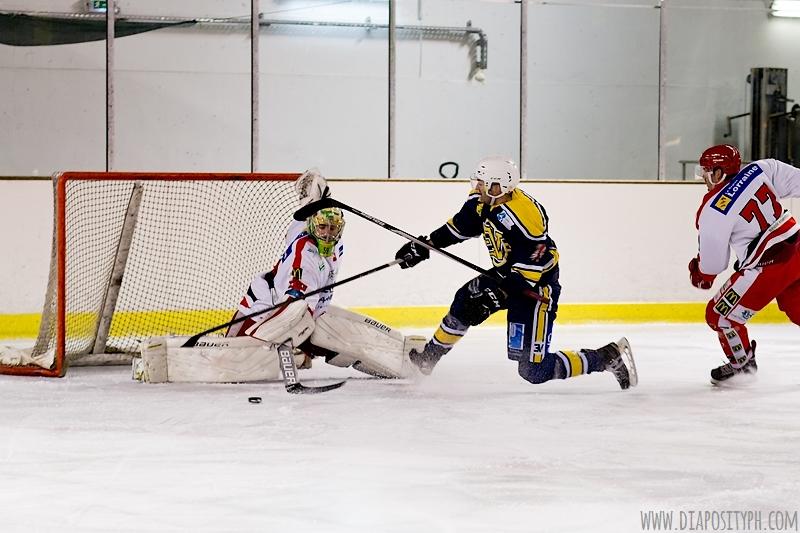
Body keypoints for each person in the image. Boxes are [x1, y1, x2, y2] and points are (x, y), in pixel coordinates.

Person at [133, 169, 424, 383]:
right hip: (263, 312)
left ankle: (408, 356)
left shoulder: (324, 238)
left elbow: (309, 202)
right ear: (313, 227)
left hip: (307, 314)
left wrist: (321, 195)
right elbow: (292, 308)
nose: (328, 234)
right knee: (237, 361)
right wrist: (291, 338)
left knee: (348, 334)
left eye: (333, 228)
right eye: (322, 228)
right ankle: (161, 359)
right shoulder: (303, 253)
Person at [394, 156, 637, 389]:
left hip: (536, 288)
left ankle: (605, 357)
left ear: (497, 187)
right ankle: (428, 359)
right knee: (465, 300)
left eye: (481, 183)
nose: (476, 187)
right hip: (506, 275)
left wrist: (497, 296)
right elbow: (462, 225)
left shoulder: (524, 215)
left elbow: (532, 266)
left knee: (533, 371)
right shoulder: (484, 201)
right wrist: (425, 246)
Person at [690, 144, 800, 384]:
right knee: (798, 309)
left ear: (719, 173)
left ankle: (742, 367)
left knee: (719, 316)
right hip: (797, 250)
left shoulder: (714, 208)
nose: (704, 179)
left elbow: (713, 265)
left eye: (706, 172)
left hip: (768, 267)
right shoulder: (761, 168)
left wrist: (700, 274)